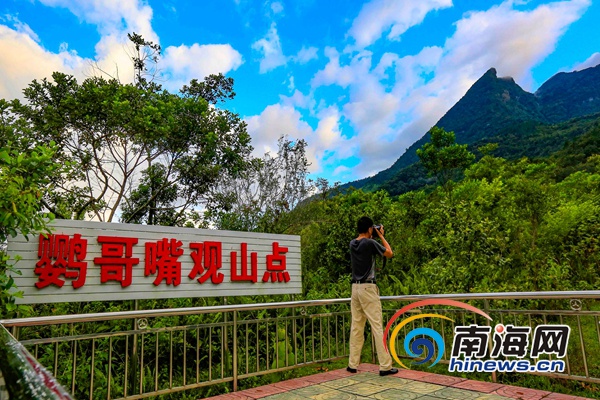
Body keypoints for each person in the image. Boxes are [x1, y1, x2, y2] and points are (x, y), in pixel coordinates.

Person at [346, 216, 398, 376]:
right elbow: (389, 253)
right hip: (368, 287)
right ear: (370, 229)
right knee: (377, 326)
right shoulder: (370, 243)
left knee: (356, 327)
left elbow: (364, 243)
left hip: (355, 289)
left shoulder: (352, 243)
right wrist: (381, 235)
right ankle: (385, 366)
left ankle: (352, 364)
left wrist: (373, 233)